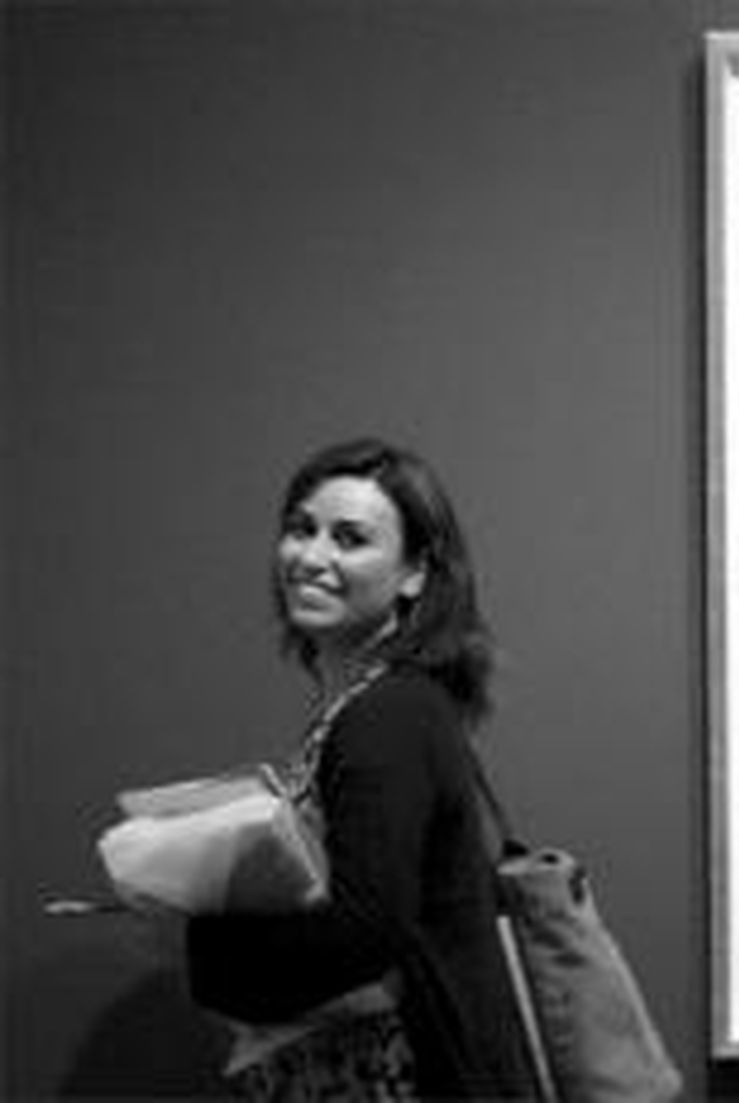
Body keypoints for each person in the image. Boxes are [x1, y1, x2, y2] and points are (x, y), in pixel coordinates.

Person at [185, 438, 537, 1099]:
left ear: (415, 574)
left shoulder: (387, 716)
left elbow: (365, 928)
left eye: (350, 539)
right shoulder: (375, 706)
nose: (311, 556)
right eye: (301, 529)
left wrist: (211, 955)